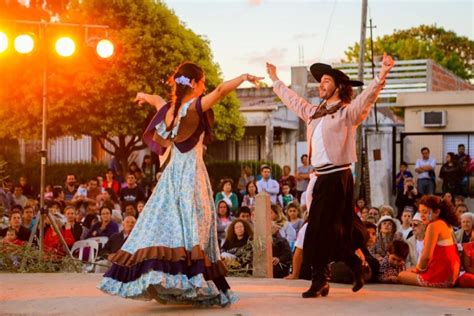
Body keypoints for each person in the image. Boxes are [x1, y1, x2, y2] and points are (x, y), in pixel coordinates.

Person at [99, 62, 262, 306]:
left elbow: (155, 99)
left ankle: (176, 281)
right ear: (194, 84)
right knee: (194, 224)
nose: (205, 85)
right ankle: (191, 282)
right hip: (190, 175)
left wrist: (143, 95)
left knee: (168, 225)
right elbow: (220, 92)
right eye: (203, 81)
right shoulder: (192, 108)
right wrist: (243, 77)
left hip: (171, 174)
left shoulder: (169, 108)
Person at [267, 52, 395, 298]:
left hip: (338, 177)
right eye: (321, 80)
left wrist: (382, 75)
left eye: (326, 80)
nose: (321, 84)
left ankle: (320, 280)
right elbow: (292, 100)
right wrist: (275, 79)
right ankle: (354, 266)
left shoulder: (347, 112)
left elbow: (367, 99)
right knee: (332, 230)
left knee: (316, 229)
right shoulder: (313, 112)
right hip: (320, 178)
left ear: (338, 86)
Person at [398, 195, 461, 287]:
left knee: (401, 275)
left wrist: (417, 270)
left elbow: (426, 257)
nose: (422, 215)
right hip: (452, 276)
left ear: (437, 212)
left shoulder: (433, 226)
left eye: (425, 212)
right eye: (420, 212)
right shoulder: (447, 224)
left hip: (439, 276)